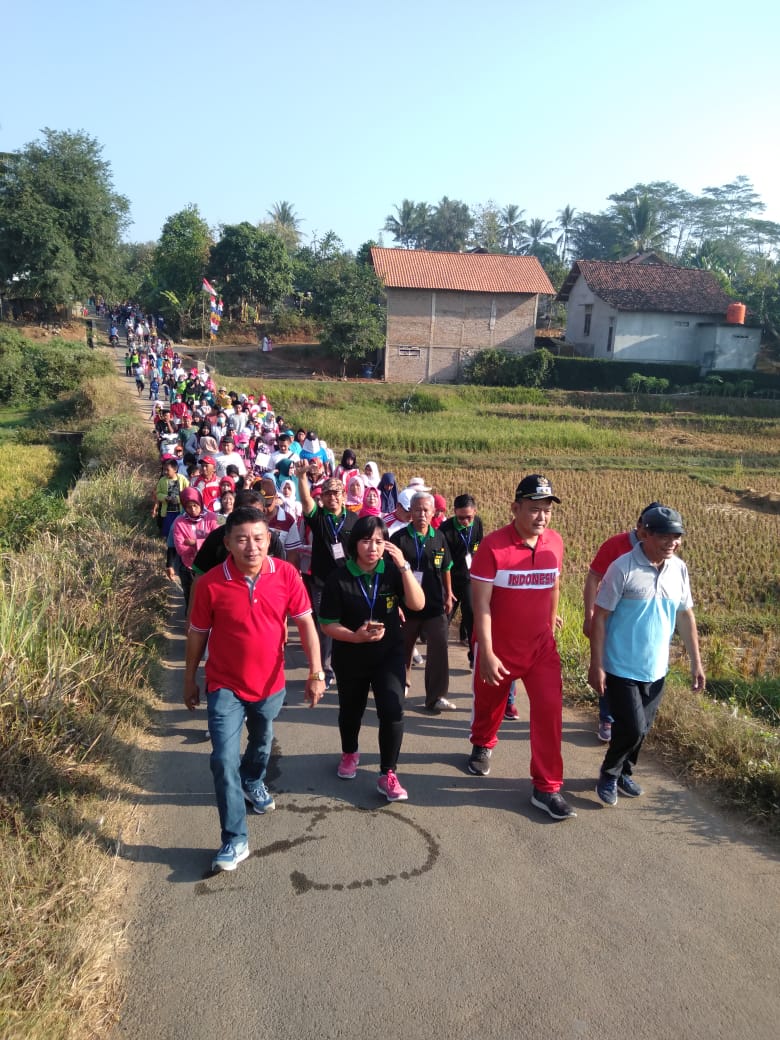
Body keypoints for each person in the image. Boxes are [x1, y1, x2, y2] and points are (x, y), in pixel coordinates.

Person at [184, 507, 326, 872]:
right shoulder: (211, 584)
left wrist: (316, 672)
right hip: (224, 684)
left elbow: (306, 624)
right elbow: (198, 633)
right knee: (221, 759)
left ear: (269, 540)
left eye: (259, 538)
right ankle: (234, 838)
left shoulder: (286, 575)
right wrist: (189, 679)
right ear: (227, 542)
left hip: (269, 683)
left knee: (262, 740)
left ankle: (254, 779)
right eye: (242, 539)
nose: (252, 546)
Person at [468, 474, 576, 821]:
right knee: (489, 705)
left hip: (541, 648)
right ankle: (483, 742)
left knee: (549, 712)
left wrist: (552, 618)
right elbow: (481, 605)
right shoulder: (493, 547)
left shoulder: (554, 543)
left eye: (547, 510)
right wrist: (486, 651)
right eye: (534, 509)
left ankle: (546, 788)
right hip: (499, 647)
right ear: (515, 508)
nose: (541, 517)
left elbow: (554, 585)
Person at [589, 506, 705, 805]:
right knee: (632, 727)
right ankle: (609, 773)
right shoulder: (623, 567)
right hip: (620, 666)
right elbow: (600, 617)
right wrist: (597, 664)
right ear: (646, 534)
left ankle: (626, 771)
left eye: (677, 537)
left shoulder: (678, 569)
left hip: (656, 668)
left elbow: (684, 615)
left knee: (643, 730)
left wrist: (696, 662)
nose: (672, 543)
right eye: (665, 536)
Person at [319, 516, 425, 801]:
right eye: (366, 541)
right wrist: (355, 636)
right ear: (355, 545)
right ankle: (350, 752)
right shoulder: (338, 578)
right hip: (350, 654)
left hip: (388, 655)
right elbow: (327, 623)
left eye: (379, 541)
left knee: (392, 709)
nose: (373, 548)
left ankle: (388, 773)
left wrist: (403, 565)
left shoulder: (392, 571)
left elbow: (418, 603)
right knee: (351, 711)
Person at [583, 502, 662, 742]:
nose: (652, 538)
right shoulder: (615, 545)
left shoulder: (662, 552)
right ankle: (607, 717)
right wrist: (589, 616)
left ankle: (630, 719)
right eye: (648, 531)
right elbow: (593, 578)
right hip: (609, 619)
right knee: (607, 667)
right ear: (639, 526)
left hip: (639, 626)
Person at [295, 464, 358, 688]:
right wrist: (302, 477)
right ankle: (325, 667)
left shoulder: (354, 520)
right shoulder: (318, 516)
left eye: (336, 493)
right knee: (325, 627)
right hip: (322, 582)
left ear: (343, 496)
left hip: (348, 581)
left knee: (349, 624)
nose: (332, 497)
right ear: (322, 497)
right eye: (328, 493)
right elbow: (305, 501)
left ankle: (347, 664)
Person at [391, 492, 455, 712]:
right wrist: (395, 603)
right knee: (403, 648)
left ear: (433, 513)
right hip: (406, 605)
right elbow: (390, 574)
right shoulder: (398, 539)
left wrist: (449, 593)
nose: (421, 514)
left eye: (426, 510)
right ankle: (401, 685)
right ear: (411, 511)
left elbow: (446, 567)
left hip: (434, 604)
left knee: (439, 647)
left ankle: (436, 696)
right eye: (417, 509)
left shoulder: (439, 538)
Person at [440, 494, 484, 668]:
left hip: (469, 578)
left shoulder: (478, 523)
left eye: (469, 517)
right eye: (461, 518)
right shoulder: (445, 530)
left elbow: (479, 548)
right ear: (454, 512)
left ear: (475, 512)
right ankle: (439, 655)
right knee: (444, 619)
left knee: (471, 615)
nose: (465, 521)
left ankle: (474, 657)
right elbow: (445, 564)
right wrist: (448, 591)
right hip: (449, 578)